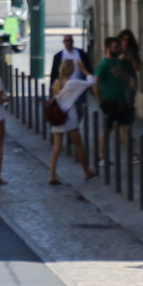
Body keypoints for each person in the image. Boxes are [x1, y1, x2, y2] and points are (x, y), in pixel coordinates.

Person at [47, 40, 95, 184]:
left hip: (57, 116)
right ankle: (87, 172)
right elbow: (92, 82)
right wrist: (85, 71)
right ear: (72, 70)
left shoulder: (57, 83)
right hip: (70, 116)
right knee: (78, 145)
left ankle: (51, 175)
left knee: (57, 148)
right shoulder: (72, 84)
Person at [96, 36, 140, 163]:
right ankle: (102, 156)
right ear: (108, 48)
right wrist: (100, 101)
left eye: (118, 47)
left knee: (124, 127)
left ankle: (131, 154)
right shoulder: (104, 64)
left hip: (121, 99)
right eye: (115, 48)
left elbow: (120, 75)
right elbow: (96, 82)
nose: (117, 50)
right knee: (107, 129)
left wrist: (129, 80)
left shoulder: (117, 62)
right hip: (109, 101)